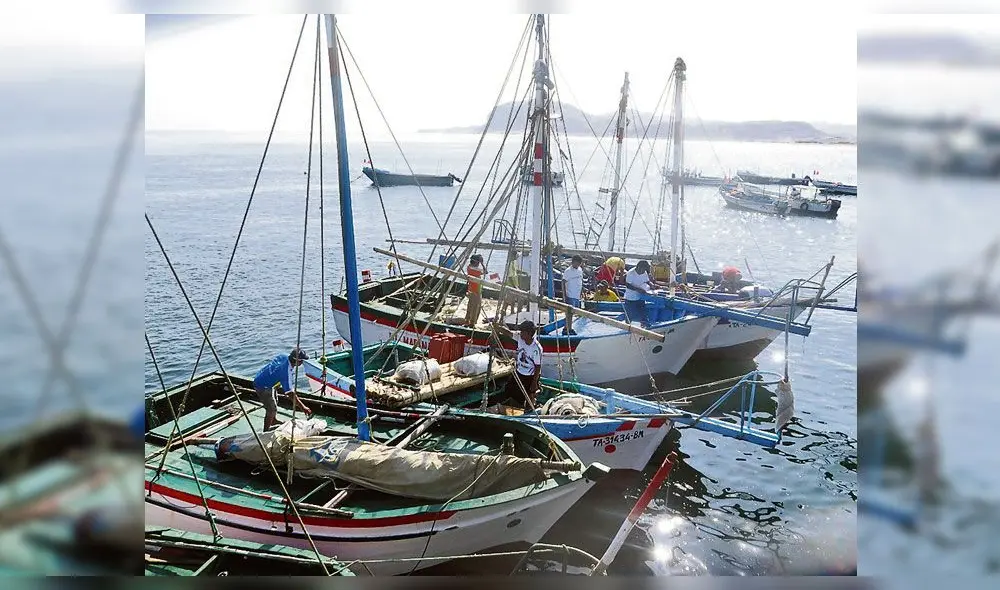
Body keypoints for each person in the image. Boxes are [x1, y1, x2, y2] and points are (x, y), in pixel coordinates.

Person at [253, 347, 312, 431]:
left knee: (275, 400)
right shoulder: (285, 372)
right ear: (297, 361)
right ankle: (266, 430)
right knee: (271, 409)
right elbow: (289, 393)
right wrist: (302, 407)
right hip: (262, 386)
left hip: (263, 378)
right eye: (301, 361)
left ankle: (273, 420)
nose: (302, 363)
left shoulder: (284, 356)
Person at [492, 319, 543, 410]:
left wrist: (534, 382)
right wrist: (498, 327)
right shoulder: (520, 338)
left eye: (522, 332)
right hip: (519, 371)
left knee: (529, 395)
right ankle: (513, 407)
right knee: (509, 389)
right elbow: (508, 333)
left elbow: (538, 366)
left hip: (530, 376)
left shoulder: (536, 348)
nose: (520, 333)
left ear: (529, 333)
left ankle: (530, 409)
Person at [624, 260, 657, 326]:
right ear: (639, 267)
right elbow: (628, 285)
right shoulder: (631, 273)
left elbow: (647, 281)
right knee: (629, 316)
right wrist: (638, 289)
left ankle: (645, 326)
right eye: (643, 269)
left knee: (643, 314)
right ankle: (627, 327)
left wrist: (651, 284)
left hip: (640, 298)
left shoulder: (644, 272)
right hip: (630, 299)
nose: (644, 271)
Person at [561, 254, 584, 335]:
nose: (578, 265)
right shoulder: (568, 271)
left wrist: (582, 292)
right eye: (577, 263)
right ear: (573, 262)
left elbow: (580, 281)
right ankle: (569, 328)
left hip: (577, 295)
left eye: (579, 264)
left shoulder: (580, 270)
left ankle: (566, 327)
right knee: (569, 313)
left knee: (573, 312)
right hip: (570, 294)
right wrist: (564, 295)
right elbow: (563, 282)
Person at [465, 253, 485, 327]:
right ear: (477, 262)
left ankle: (467, 320)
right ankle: (472, 323)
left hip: (471, 289)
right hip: (476, 291)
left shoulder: (469, 267)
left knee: (470, 305)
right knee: (476, 307)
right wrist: (482, 263)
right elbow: (485, 271)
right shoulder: (476, 270)